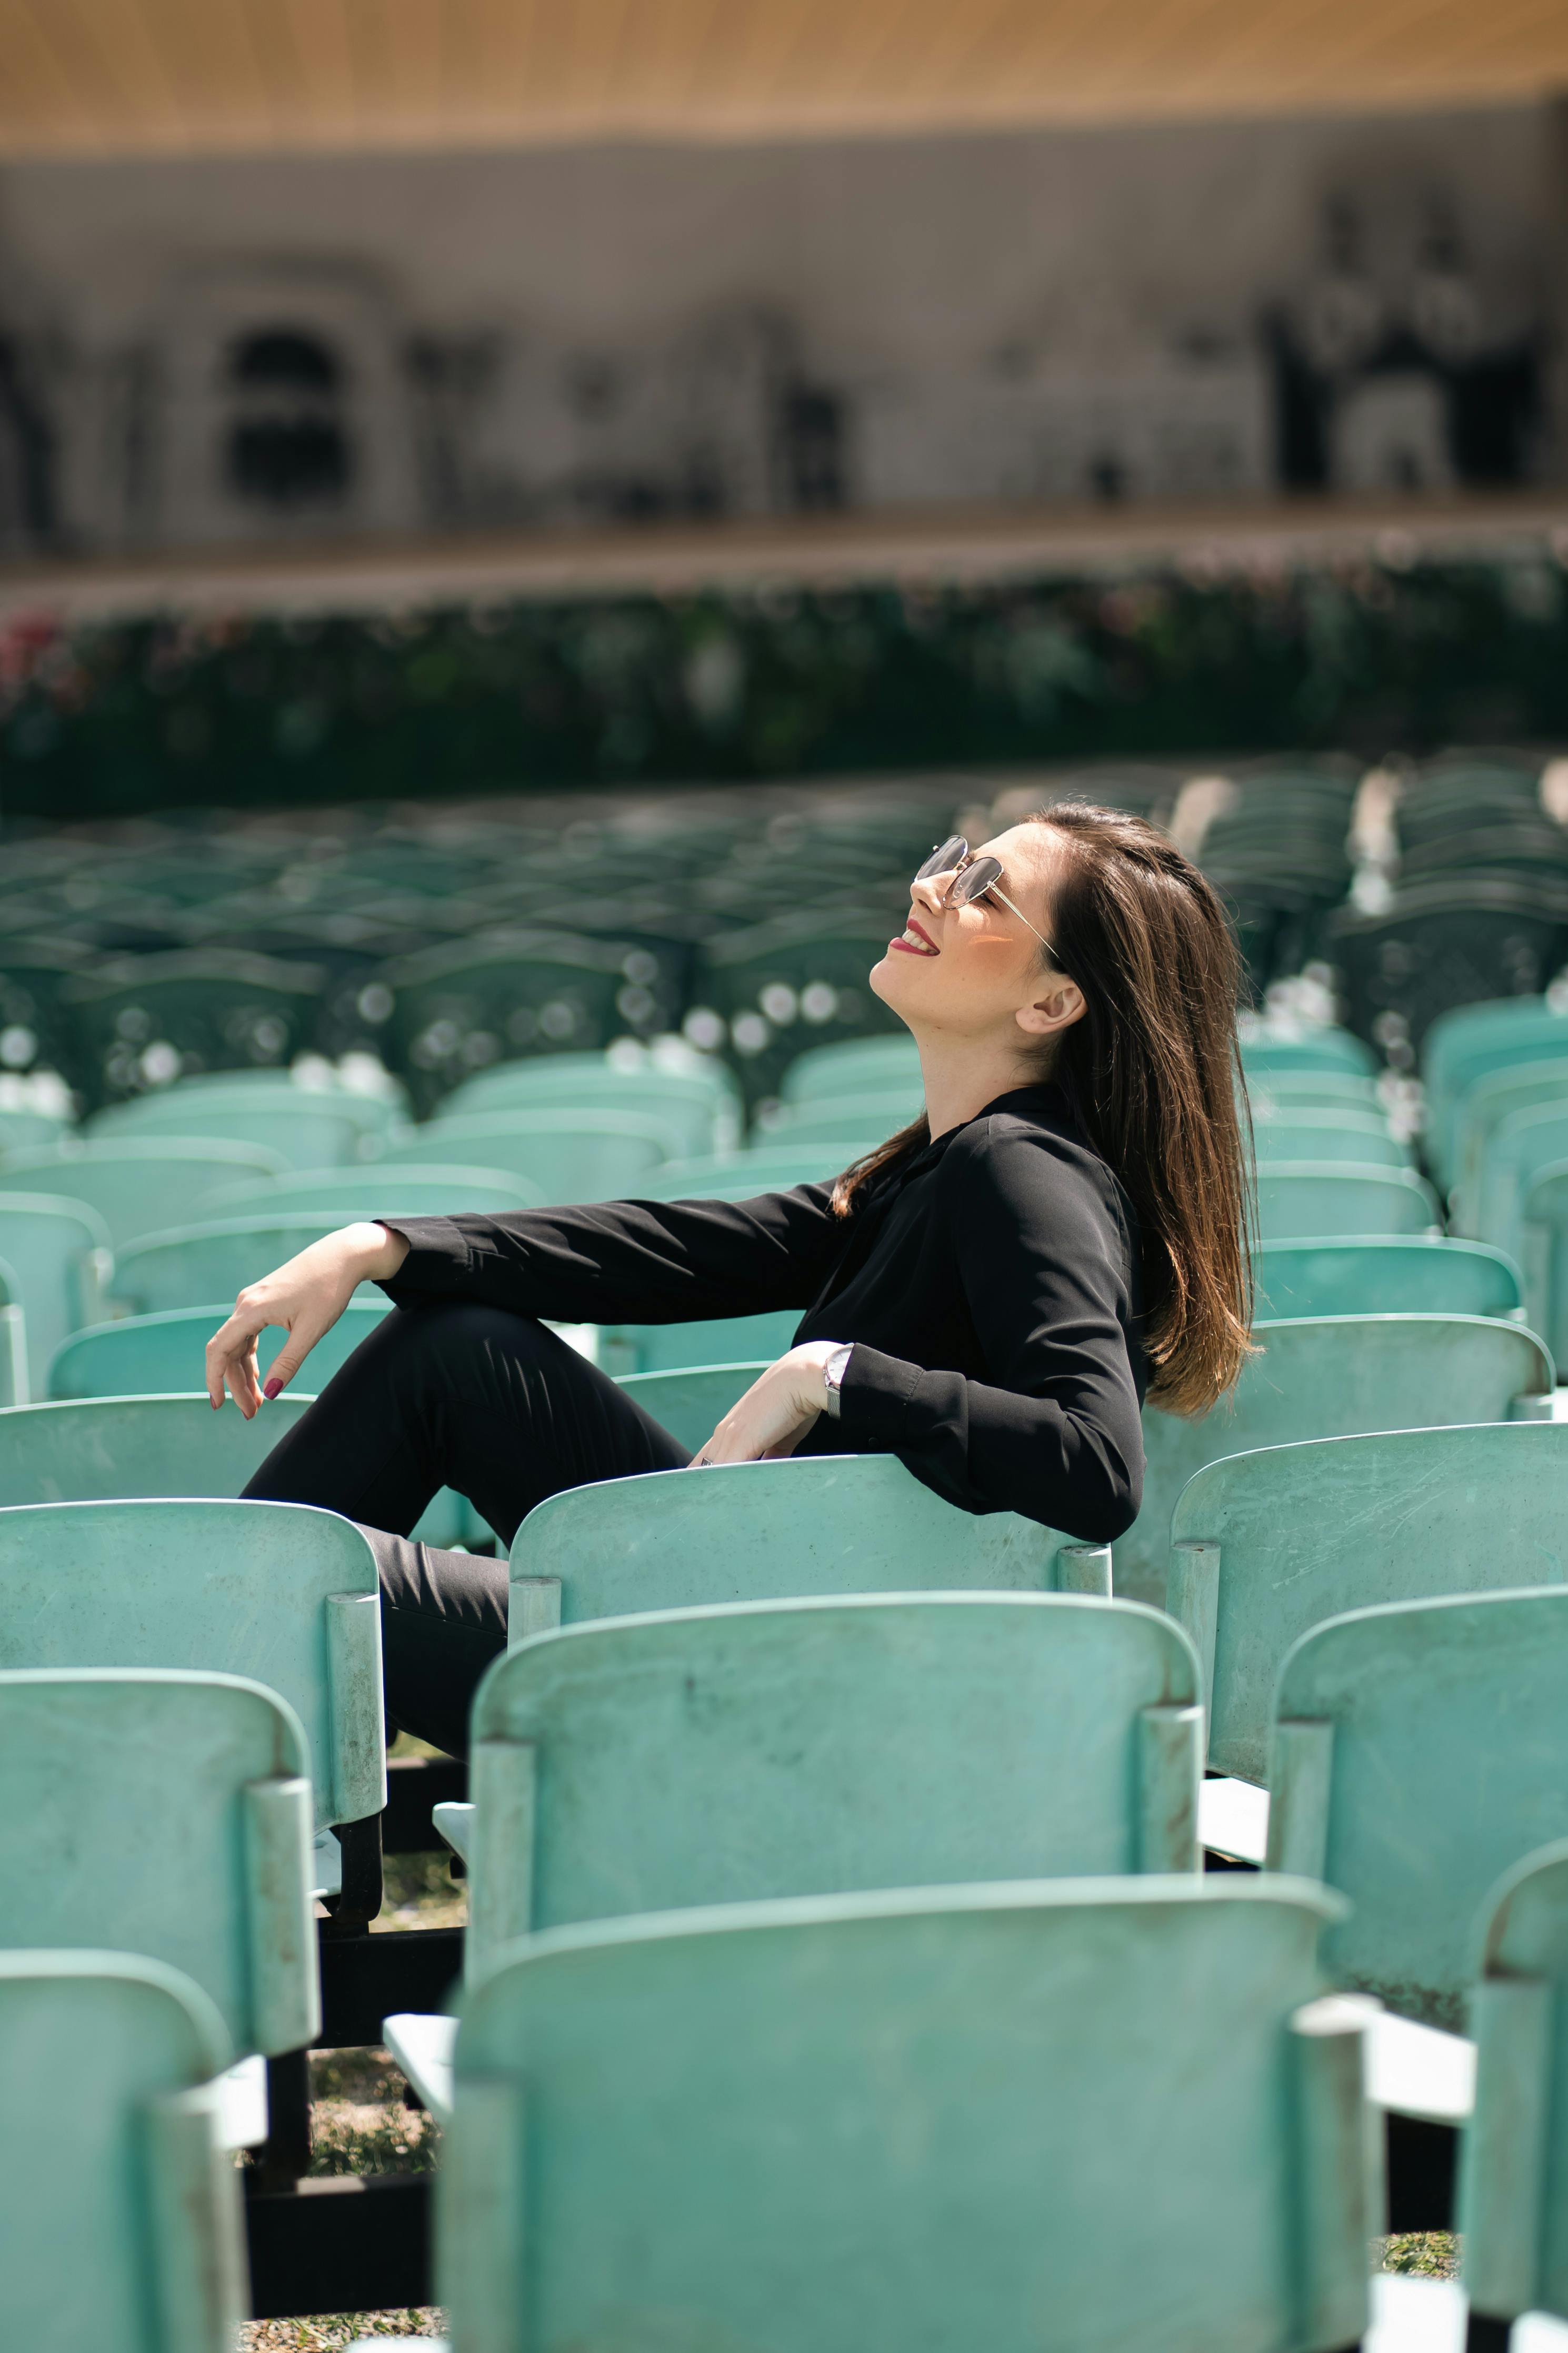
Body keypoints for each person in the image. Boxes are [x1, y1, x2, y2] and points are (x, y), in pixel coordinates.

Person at [213, 802, 1253, 1756]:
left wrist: (828, 1372)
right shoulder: (943, 1168)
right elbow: (674, 1247)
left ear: (1051, 1000)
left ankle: (168, 1742)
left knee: (292, 1581)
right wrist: (379, 1247)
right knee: (453, 1350)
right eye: (953, 863)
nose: (931, 887)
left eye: (985, 890)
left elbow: (1096, 1468)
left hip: (761, 1680)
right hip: (747, 1591)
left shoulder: (1019, 1172)